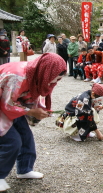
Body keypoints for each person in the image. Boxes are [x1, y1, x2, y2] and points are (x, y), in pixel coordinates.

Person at [0, 53, 66, 192]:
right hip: (4, 105)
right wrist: (31, 112)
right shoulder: (17, 77)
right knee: (11, 141)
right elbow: (7, 103)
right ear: (47, 70)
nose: (55, 82)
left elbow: (29, 97)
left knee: (25, 136)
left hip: (11, 104)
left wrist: (39, 110)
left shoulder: (35, 73)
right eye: (56, 77)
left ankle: (24, 169)